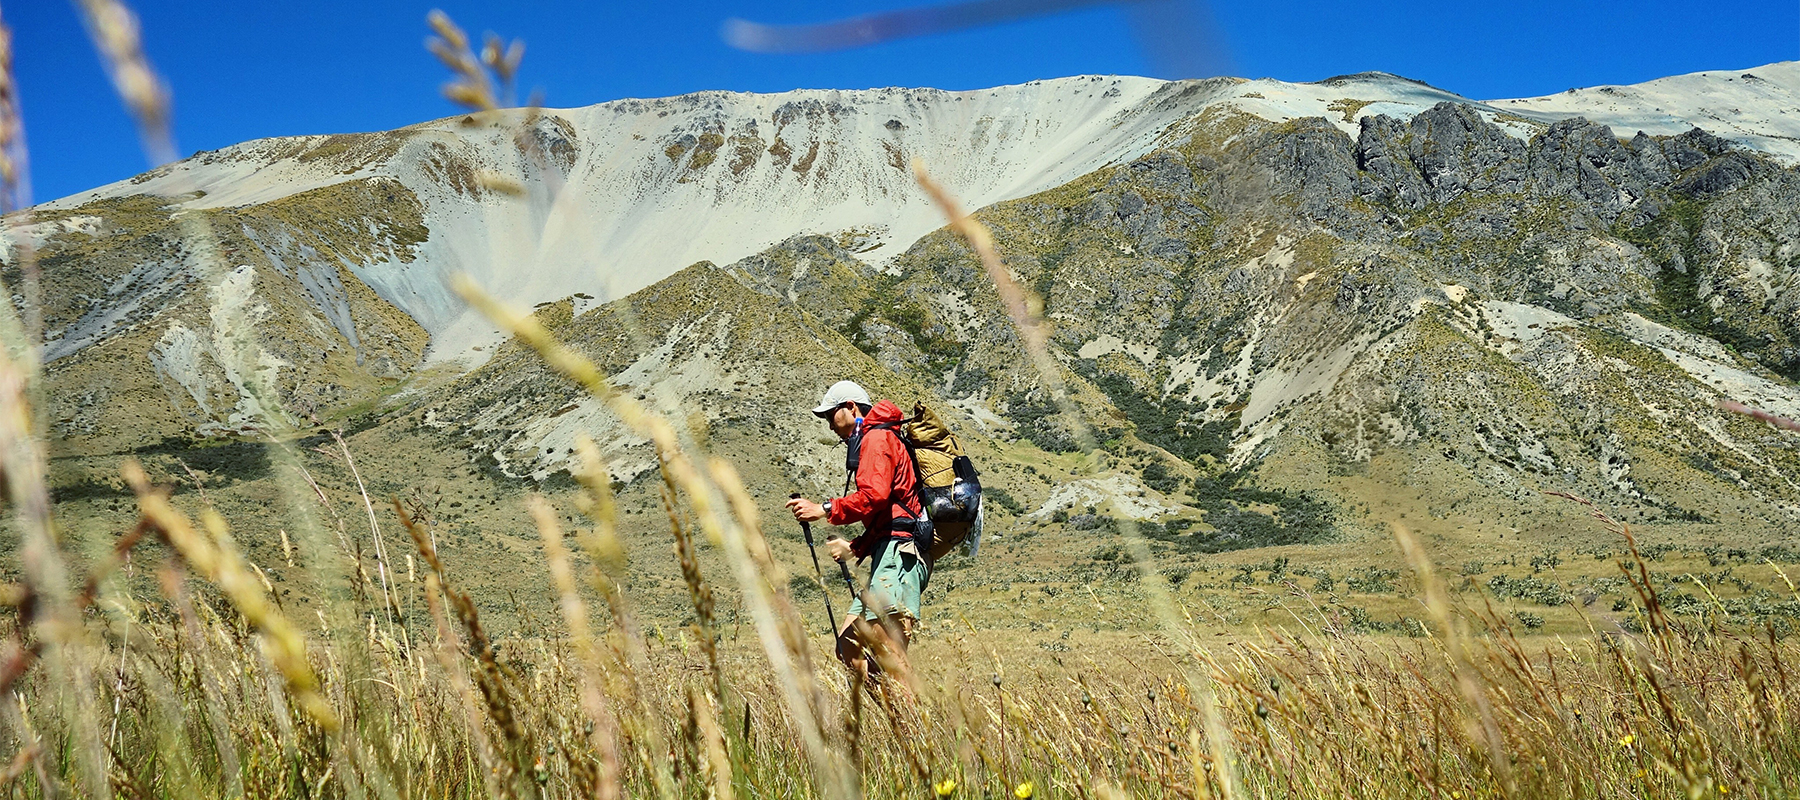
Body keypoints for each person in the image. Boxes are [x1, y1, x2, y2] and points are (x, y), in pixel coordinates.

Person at [785, 380, 929, 683]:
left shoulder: (876, 438)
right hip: (887, 551)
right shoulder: (878, 437)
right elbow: (885, 511)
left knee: (889, 655)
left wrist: (823, 509)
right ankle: (898, 722)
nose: (829, 426)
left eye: (830, 416)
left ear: (851, 407)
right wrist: (858, 547)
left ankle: (914, 727)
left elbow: (874, 496)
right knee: (848, 648)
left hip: (898, 556)